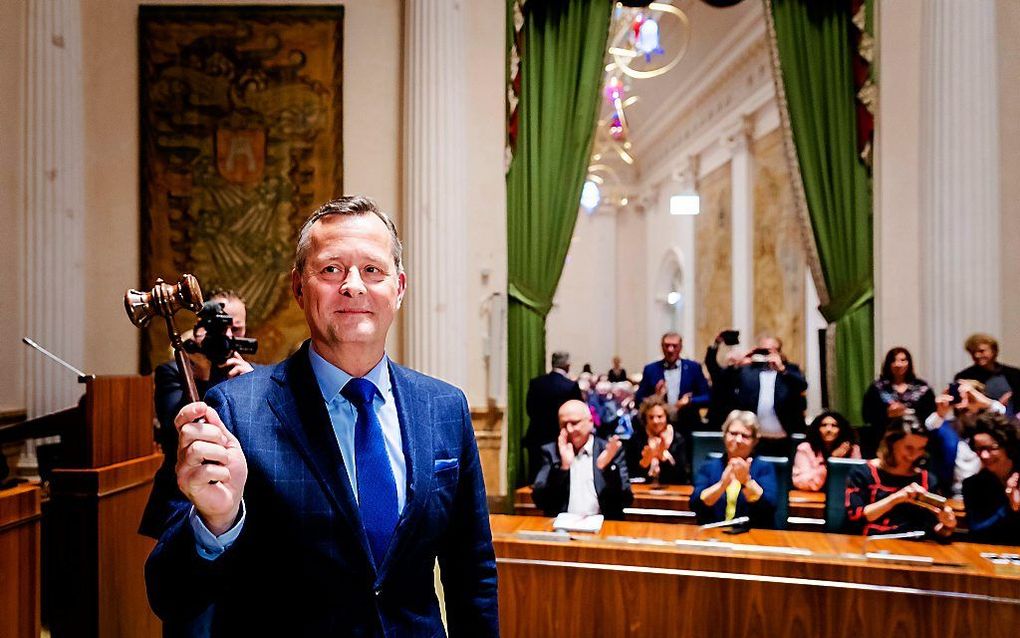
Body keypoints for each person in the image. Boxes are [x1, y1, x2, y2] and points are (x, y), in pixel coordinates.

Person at [145, 196, 498, 635]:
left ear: (399, 288)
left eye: (373, 270)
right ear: (298, 287)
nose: (353, 285)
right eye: (331, 270)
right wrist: (217, 524)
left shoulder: (444, 408)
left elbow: (473, 575)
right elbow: (169, 595)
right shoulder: (236, 410)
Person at [139, 291, 255, 540]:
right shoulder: (173, 372)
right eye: (220, 328)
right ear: (199, 330)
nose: (228, 337)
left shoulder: (254, 376)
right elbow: (174, 431)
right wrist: (202, 376)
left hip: (242, 504)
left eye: (236, 329)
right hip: (179, 499)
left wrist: (252, 386)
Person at [845, 414, 956, 539]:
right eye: (909, 448)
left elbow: (934, 530)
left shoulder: (927, 479)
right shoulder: (862, 473)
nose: (913, 455)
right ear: (891, 443)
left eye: (920, 449)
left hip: (914, 547)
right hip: (871, 542)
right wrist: (896, 498)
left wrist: (947, 526)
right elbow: (856, 517)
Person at [707, 335, 807, 457]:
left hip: (783, 439)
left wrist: (782, 368)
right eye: (762, 350)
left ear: (779, 352)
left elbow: (802, 385)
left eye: (771, 350)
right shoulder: (748, 370)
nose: (766, 354)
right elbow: (718, 378)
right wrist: (739, 361)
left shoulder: (789, 370)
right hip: (753, 439)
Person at [531, 399, 632, 519]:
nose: (569, 429)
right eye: (564, 424)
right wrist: (563, 468)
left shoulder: (609, 451)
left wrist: (607, 469)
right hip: (562, 526)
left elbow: (626, 499)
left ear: (590, 422)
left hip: (603, 526)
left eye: (574, 423)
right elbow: (540, 501)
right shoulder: (551, 452)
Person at [689, 410, 778, 528]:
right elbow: (695, 503)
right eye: (733, 433)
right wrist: (722, 485)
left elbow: (770, 506)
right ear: (725, 435)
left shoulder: (764, 468)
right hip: (713, 536)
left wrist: (746, 482)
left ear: (755, 440)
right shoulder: (709, 466)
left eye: (745, 435)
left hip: (752, 537)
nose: (738, 440)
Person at [634, 332, 710, 462]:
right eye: (667, 346)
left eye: (674, 346)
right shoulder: (651, 369)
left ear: (680, 347)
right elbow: (638, 400)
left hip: (686, 426)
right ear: (661, 347)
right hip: (658, 428)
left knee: (684, 463)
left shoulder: (693, 367)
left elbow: (707, 397)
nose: (670, 350)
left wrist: (689, 401)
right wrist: (655, 397)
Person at [925, 380, 1006, 498]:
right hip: (953, 496)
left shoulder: (992, 428)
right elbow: (927, 430)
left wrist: (987, 403)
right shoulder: (946, 427)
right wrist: (940, 413)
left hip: (991, 494)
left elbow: (1009, 422)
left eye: (971, 398)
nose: (965, 404)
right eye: (960, 397)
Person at [860, 347, 936, 457]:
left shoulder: (922, 387)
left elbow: (931, 415)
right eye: (894, 361)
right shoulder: (877, 387)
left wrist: (908, 412)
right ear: (888, 364)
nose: (898, 364)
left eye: (903, 360)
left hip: (915, 438)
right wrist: (886, 414)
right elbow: (867, 415)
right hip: (883, 439)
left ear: (909, 363)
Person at [524, 351, 583, 483]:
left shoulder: (536, 383)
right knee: (560, 481)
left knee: (536, 480)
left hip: (537, 436)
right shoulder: (571, 386)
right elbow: (579, 411)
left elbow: (530, 409)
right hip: (561, 438)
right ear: (567, 365)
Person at [962, 412, 1020, 545]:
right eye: (978, 449)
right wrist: (1010, 507)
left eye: (990, 448)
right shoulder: (973, 485)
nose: (984, 455)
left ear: (1007, 445)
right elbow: (977, 529)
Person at [791, 411, 861, 492]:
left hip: (844, 496)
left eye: (834, 425)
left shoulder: (853, 449)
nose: (828, 429)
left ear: (841, 429)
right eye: (824, 425)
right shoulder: (805, 448)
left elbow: (858, 480)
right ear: (817, 428)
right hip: (814, 496)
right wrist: (832, 461)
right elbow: (801, 482)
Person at [626, 396, 688, 485]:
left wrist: (663, 457)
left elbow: (682, 474)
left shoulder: (678, 439)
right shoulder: (637, 439)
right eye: (651, 417)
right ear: (645, 419)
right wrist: (645, 462)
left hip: (672, 488)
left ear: (666, 417)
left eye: (659, 417)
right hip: (643, 489)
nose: (655, 421)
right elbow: (632, 473)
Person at [954, 333, 1020, 415]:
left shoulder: (1014, 374)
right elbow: (959, 409)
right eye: (973, 352)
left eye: (981, 351)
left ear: (994, 351)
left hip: (1011, 421)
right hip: (979, 423)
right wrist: (996, 405)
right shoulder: (964, 377)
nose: (977, 355)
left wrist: (1012, 399)